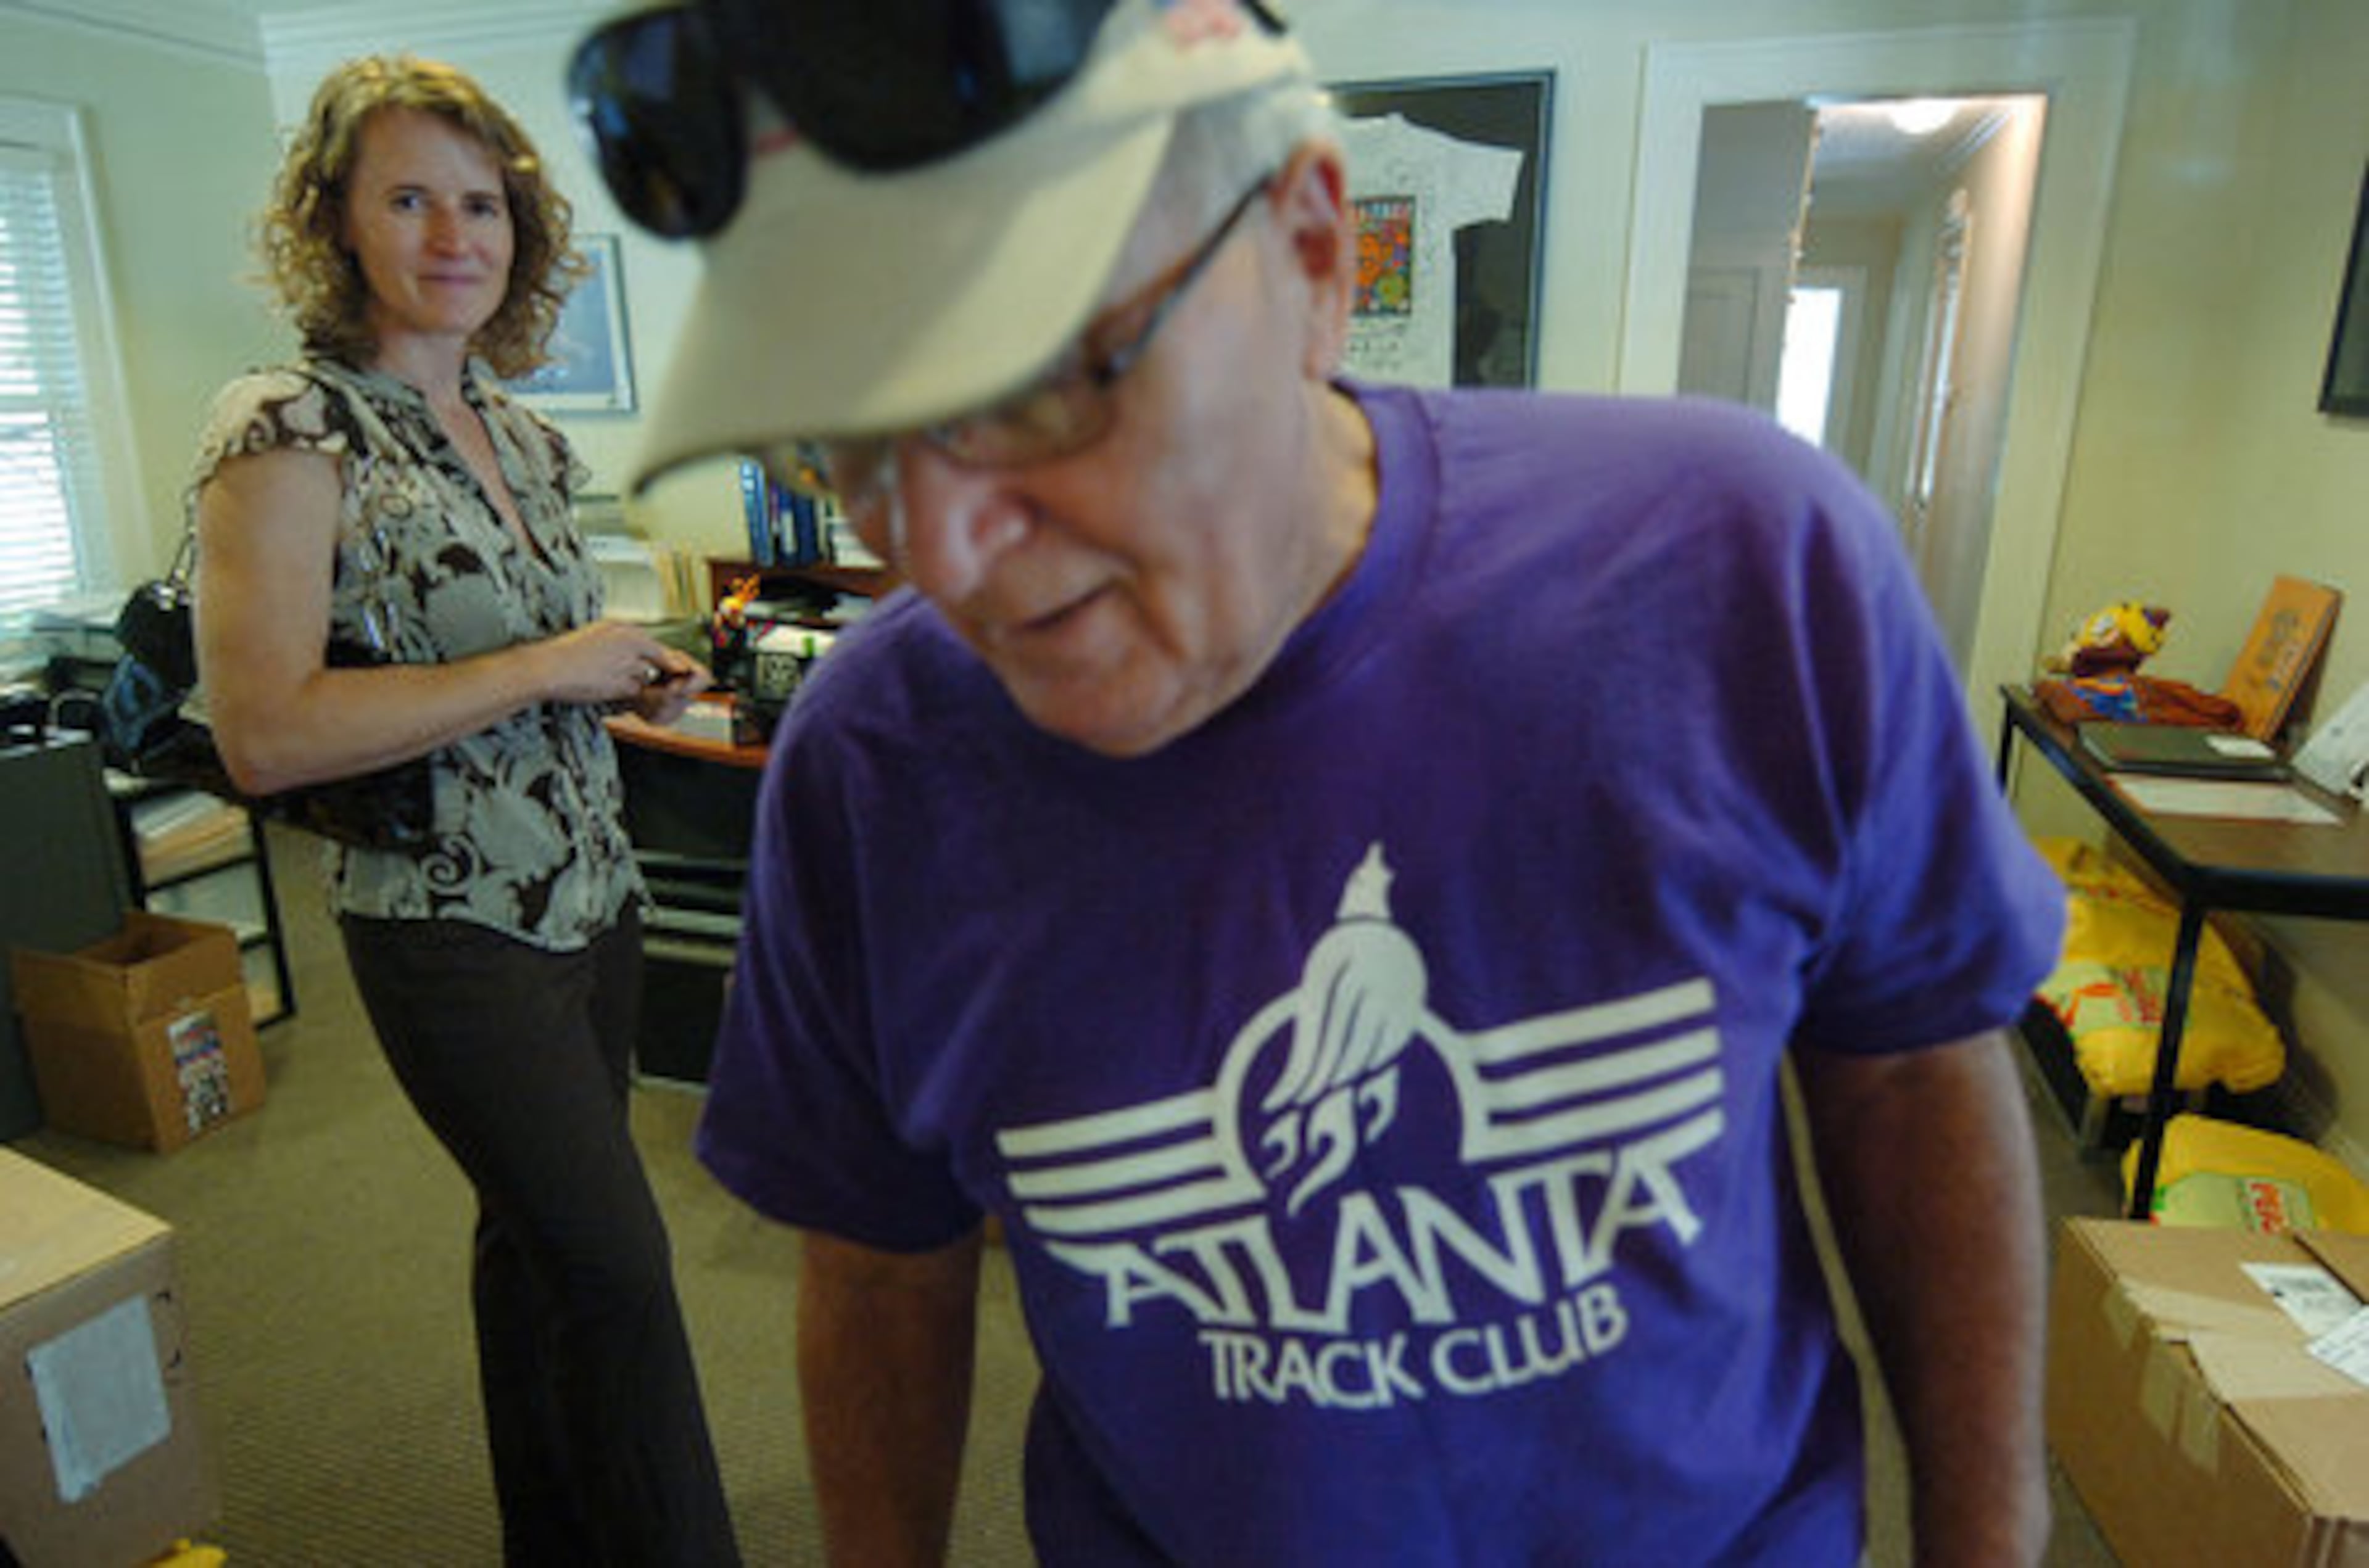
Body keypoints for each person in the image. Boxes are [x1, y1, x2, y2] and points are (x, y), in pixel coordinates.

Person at [570, 2, 2065, 1562]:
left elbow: (1908, 1067)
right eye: (845, 434)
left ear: (1309, 254)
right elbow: (880, 1264)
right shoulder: (876, 759)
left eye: (1041, 378)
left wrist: (1990, 1534)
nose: (939, 550)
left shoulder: (1743, 565)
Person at [192, 55, 739, 1565]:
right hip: (451, 925)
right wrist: (544, 664)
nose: (453, 233)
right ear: (338, 222)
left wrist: (616, 682)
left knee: (539, 1255)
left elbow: (524, 671)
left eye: (480, 202)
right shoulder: (287, 429)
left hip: (593, 897)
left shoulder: (522, 426)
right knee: (622, 1271)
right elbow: (266, 731)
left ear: (520, 227)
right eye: (408, 198)